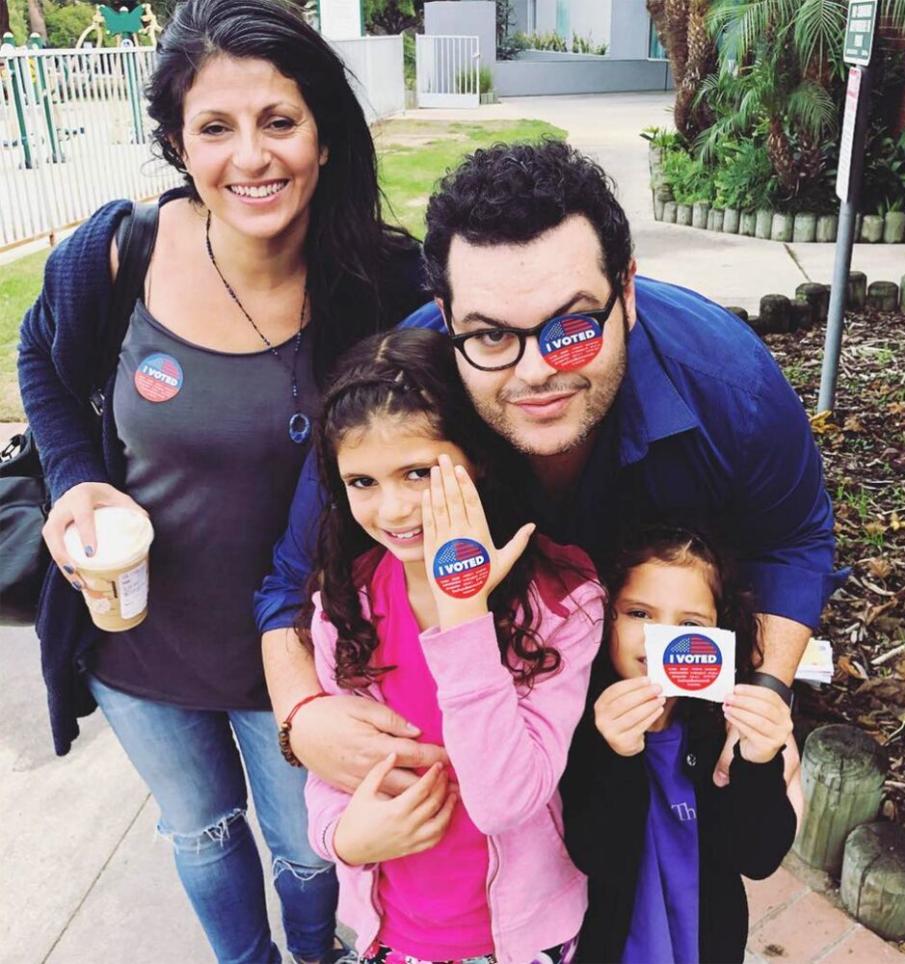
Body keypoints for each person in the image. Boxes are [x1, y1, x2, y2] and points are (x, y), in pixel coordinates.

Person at [17, 1, 424, 960]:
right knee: (199, 832)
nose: (253, 157)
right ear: (176, 143)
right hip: (137, 644)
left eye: (279, 121)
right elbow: (39, 359)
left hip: (306, 656)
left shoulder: (384, 283)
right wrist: (76, 479)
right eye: (216, 128)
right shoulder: (119, 253)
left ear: (323, 135)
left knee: (310, 850)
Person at [255, 139, 845, 799]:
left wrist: (765, 691)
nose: (537, 373)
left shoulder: (733, 389)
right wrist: (300, 716)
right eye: (491, 335)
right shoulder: (399, 395)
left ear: (626, 291)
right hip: (492, 753)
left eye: (571, 328)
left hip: (661, 720)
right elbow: (289, 579)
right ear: (447, 315)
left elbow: (792, 541)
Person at [299, 329, 604, 964]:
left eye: (418, 472)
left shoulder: (562, 602)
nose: (393, 508)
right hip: (393, 933)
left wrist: (462, 612)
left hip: (519, 941)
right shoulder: (345, 605)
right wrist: (341, 837)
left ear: (478, 458)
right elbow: (338, 766)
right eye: (362, 482)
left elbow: (503, 802)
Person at [560, 525, 800, 963]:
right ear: (606, 611)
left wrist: (759, 762)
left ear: (720, 635)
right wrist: (617, 754)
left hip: (703, 945)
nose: (661, 640)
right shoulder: (577, 719)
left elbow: (758, 856)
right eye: (639, 613)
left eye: (689, 624)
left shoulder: (723, 727)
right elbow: (595, 855)